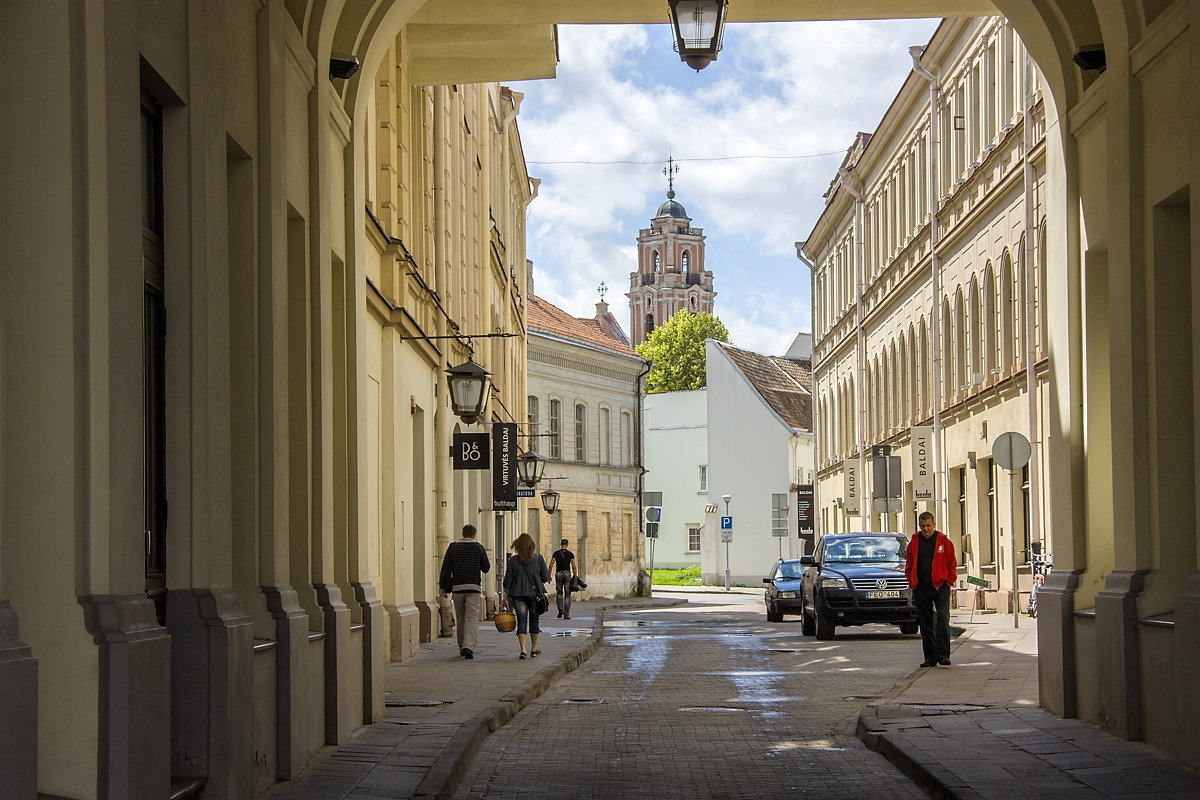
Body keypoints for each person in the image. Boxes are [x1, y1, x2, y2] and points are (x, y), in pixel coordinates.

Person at [904, 511, 957, 668]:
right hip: (921, 588)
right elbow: (909, 565)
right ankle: (930, 658)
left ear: (934, 525)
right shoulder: (914, 543)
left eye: (928, 525)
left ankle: (943, 655)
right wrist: (911, 581)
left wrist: (949, 581)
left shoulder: (945, 542)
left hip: (941, 587)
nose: (926, 529)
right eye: (922, 526)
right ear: (919, 526)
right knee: (925, 623)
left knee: (942, 619)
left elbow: (951, 563)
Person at [439, 524, 491, 660]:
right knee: (472, 618)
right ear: (474, 534)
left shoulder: (453, 547)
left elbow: (445, 568)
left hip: (457, 588)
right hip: (473, 587)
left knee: (461, 617)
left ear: (462, 533)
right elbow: (486, 568)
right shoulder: (478, 547)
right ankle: (468, 646)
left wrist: (443, 588)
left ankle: (461, 645)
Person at [502, 533, 550, 659]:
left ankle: (523, 649)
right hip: (535, 595)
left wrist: (505, 597)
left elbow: (508, 581)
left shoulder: (513, 560)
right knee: (534, 620)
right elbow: (545, 577)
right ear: (531, 545)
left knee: (521, 620)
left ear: (517, 545)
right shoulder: (538, 558)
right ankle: (533, 649)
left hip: (518, 595)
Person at [550, 538, 578, 619]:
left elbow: (551, 564)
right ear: (567, 545)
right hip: (567, 574)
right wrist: (575, 576)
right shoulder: (570, 554)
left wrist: (549, 575)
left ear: (561, 544)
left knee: (559, 593)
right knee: (567, 595)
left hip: (558, 574)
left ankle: (560, 610)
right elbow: (574, 566)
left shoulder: (556, 553)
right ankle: (566, 615)